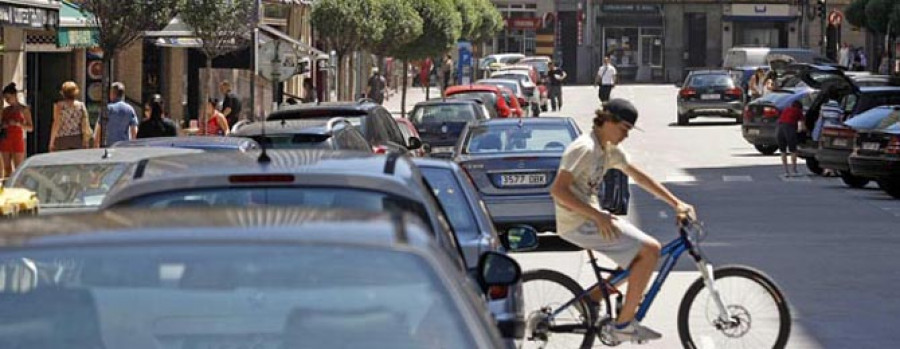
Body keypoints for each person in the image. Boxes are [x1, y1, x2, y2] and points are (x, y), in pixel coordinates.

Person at [549, 99, 696, 343]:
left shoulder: (607, 148)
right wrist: (597, 215)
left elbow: (638, 175)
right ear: (607, 120)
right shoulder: (584, 148)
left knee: (638, 257)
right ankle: (624, 325)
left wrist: (676, 202)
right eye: (624, 129)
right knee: (650, 250)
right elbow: (558, 191)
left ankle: (592, 298)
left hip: (590, 218)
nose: (626, 135)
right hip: (578, 223)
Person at [0, 83, 33, 177]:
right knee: (7, 168)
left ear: (15, 95)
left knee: (18, 168)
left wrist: (18, 124)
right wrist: (4, 125)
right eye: (5, 98)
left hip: (17, 140)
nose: (7, 100)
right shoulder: (5, 110)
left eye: (8, 97)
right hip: (5, 139)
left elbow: (30, 128)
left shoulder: (24, 110)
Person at [49, 81, 92, 151]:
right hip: (77, 138)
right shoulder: (81, 105)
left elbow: (56, 123)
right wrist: (85, 140)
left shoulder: (59, 106)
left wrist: (51, 141)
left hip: (62, 139)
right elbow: (85, 123)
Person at [93, 82, 138, 147]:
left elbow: (98, 130)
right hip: (124, 146)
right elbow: (134, 132)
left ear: (112, 94)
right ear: (123, 94)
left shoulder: (107, 109)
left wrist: (96, 145)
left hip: (108, 146)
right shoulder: (130, 109)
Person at [777, 100, 805, 177]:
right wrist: (801, 131)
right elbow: (802, 126)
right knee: (793, 150)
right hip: (789, 128)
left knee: (783, 151)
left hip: (780, 128)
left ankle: (786, 171)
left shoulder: (786, 109)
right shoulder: (798, 111)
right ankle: (794, 170)